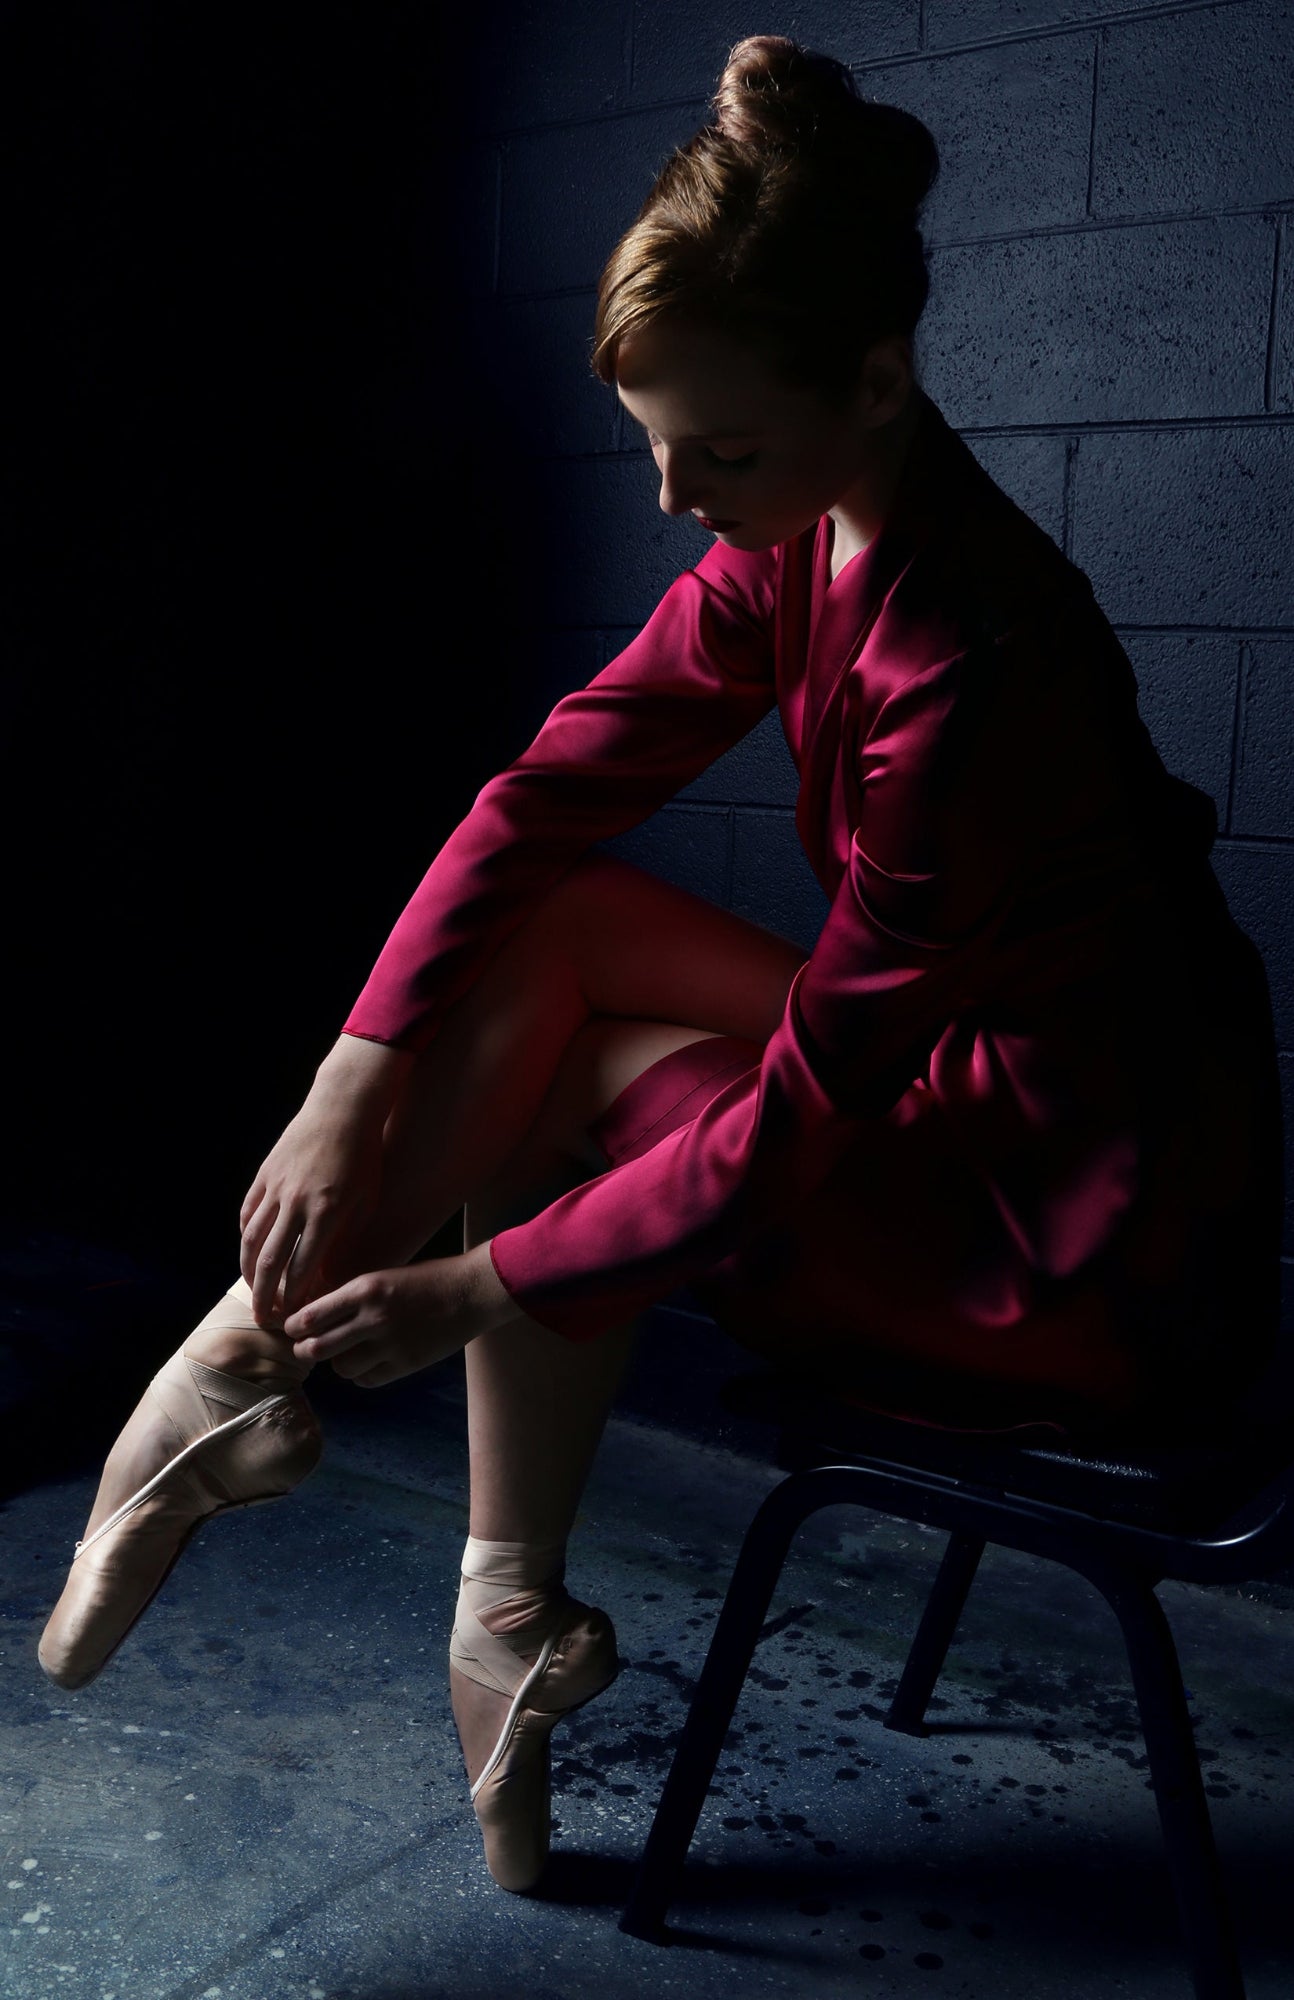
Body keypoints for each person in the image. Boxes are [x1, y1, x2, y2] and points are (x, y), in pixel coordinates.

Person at [38, 35, 1282, 1897]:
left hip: (1063, 1235)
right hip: (962, 1093)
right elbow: (546, 791)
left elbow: (798, 1117)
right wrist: (347, 1077)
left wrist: (473, 1283)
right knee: (558, 924)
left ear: (876, 380)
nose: (676, 498)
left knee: (595, 1100)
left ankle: (429, 1554)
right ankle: (348, 1469)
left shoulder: (974, 669)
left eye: (720, 450)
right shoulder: (810, 527)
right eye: (655, 448)